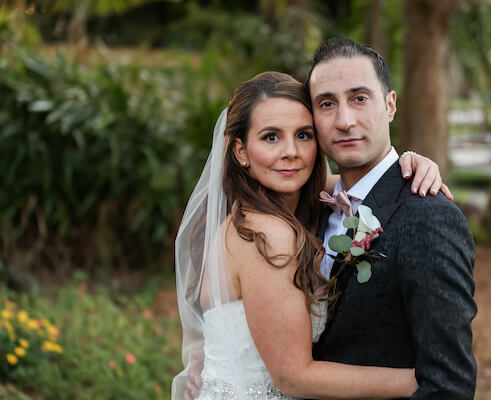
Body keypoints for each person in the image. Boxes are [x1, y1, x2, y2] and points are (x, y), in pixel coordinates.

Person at [172, 71, 450, 400]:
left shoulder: (260, 211)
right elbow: (294, 377)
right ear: (240, 151)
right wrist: (426, 380)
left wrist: (411, 164)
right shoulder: (267, 235)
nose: (291, 151)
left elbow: (360, 185)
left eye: (303, 135)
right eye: (271, 137)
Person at [307, 38, 477, 399]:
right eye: (326, 104)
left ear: (390, 105)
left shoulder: (429, 218)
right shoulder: (310, 208)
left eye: (359, 98)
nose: (344, 120)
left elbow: (449, 384)